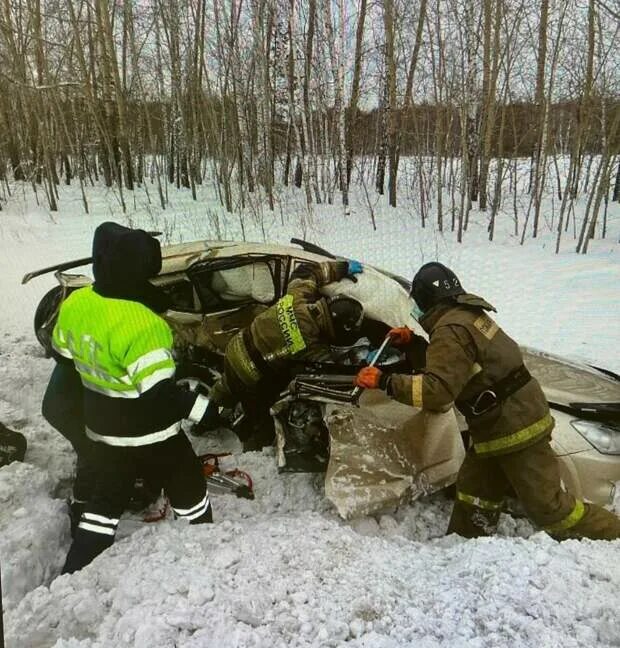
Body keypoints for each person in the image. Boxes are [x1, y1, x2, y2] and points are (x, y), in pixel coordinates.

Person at [354, 262, 620, 540]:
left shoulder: (450, 330)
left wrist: (384, 381)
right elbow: (459, 364)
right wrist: (412, 344)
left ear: (425, 301)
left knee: (551, 509)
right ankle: (468, 542)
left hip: (515, 428)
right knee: (475, 491)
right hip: (498, 424)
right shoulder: (466, 316)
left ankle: (612, 533)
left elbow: (437, 391)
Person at [52, 222, 221, 573]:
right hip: (155, 438)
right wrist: (204, 410)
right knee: (189, 485)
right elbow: (159, 397)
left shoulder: (76, 303)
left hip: (102, 433)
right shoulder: (145, 327)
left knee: (103, 505)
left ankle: (75, 572)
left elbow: (64, 359)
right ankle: (206, 546)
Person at [209, 259, 365, 449]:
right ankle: (251, 451)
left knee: (228, 385)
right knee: (262, 418)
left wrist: (341, 267)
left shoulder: (299, 298)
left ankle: (208, 412)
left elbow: (306, 271)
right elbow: (334, 373)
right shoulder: (311, 344)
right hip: (248, 372)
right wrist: (366, 363)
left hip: (235, 346)